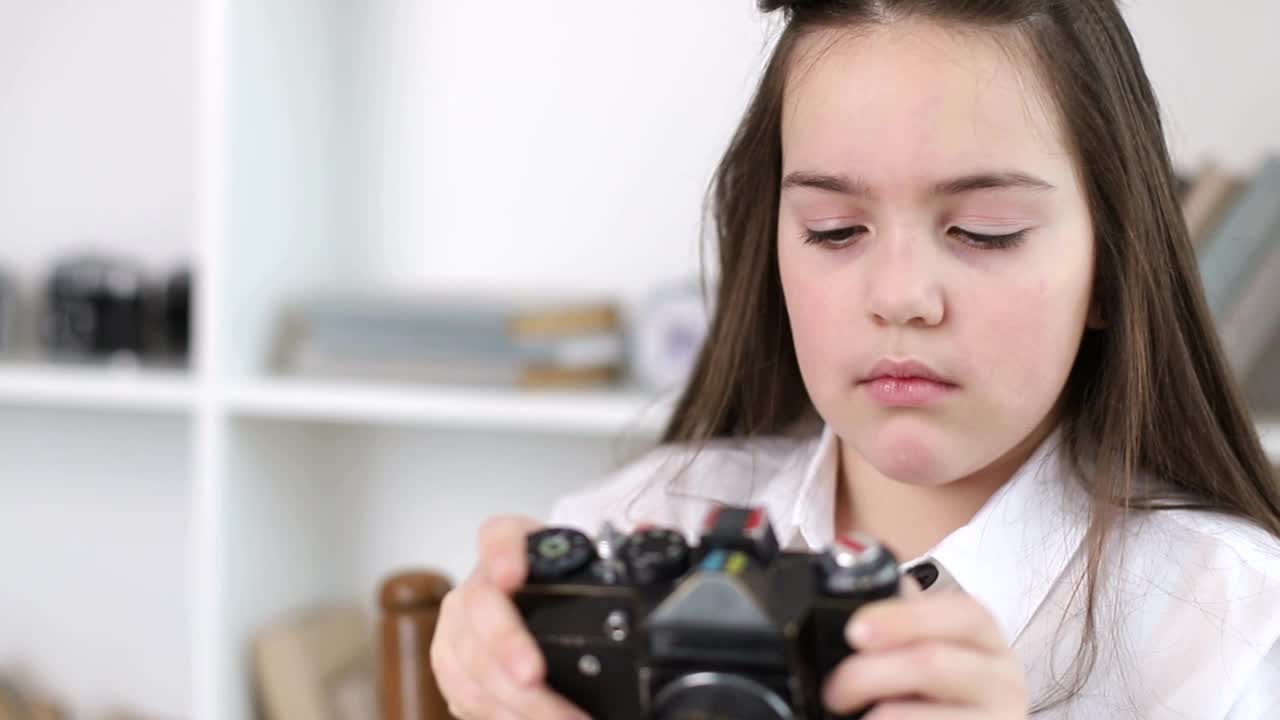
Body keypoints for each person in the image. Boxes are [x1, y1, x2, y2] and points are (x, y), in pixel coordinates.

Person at [430, 0, 1280, 717]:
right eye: (834, 231)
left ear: (1111, 263)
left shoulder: (1232, 624)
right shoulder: (638, 518)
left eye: (985, 232)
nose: (901, 295)